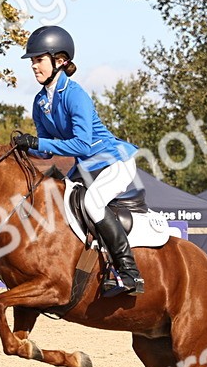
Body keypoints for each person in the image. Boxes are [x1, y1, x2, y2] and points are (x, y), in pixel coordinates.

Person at [11, 25, 145, 296]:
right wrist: (23, 149)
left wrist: (39, 143)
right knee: (52, 201)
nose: (34, 66)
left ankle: (129, 272)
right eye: (32, 61)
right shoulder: (40, 101)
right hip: (85, 168)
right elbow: (46, 151)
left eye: (39, 59)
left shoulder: (75, 94)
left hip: (112, 161)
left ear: (60, 61)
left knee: (93, 203)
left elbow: (82, 144)